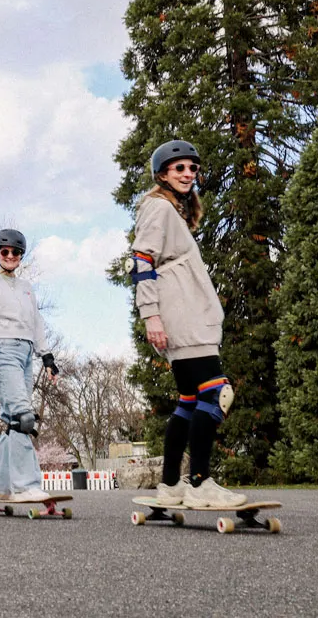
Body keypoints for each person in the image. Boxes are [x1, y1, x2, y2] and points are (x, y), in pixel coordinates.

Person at [131, 140, 246, 507]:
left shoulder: (172, 212)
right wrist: (151, 315)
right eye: (178, 168)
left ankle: (170, 485)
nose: (186, 174)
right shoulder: (158, 208)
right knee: (217, 392)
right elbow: (141, 259)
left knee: (189, 401)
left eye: (192, 168)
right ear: (163, 173)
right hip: (179, 315)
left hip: (184, 314)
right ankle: (199, 483)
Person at [0, 228, 57, 504]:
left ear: (21, 256)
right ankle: (26, 485)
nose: (10, 256)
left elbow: (37, 324)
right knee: (24, 418)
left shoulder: (27, 289)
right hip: (2, 350)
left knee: (13, 423)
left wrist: (47, 357)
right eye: (4, 252)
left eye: (15, 252)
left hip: (26, 353)